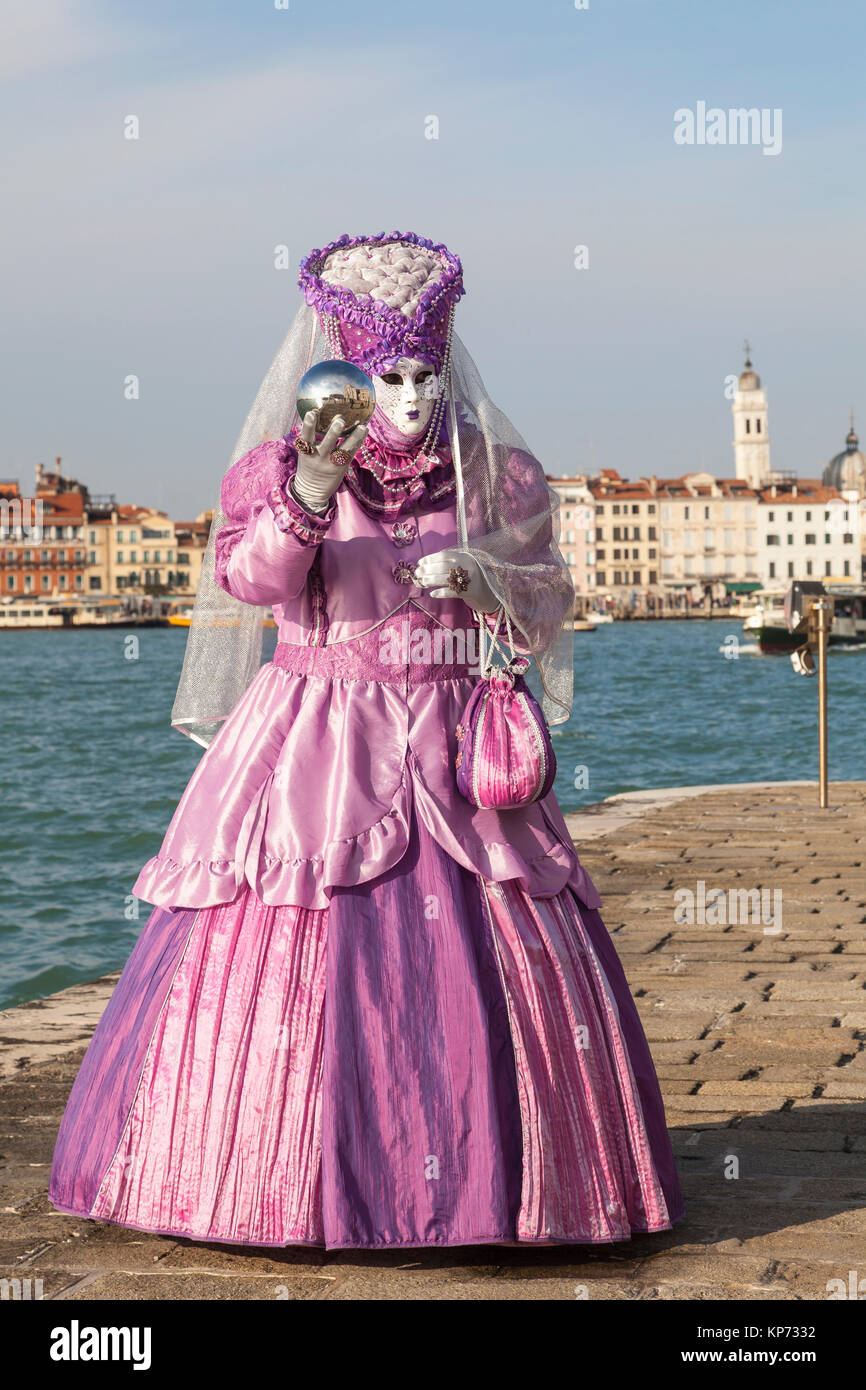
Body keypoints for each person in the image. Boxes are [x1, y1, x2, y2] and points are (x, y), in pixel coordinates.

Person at [50, 230, 683, 1249]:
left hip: (456, 750)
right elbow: (249, 585)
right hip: (315, 741)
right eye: (389, 374)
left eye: (426, 373)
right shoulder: (281, 468)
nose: (414, 395)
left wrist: (482, 580)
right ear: (346, 369)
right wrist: (307, 493)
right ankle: (278, 1181)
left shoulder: (494, 476)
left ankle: (504, 1186)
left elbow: (547, 602)